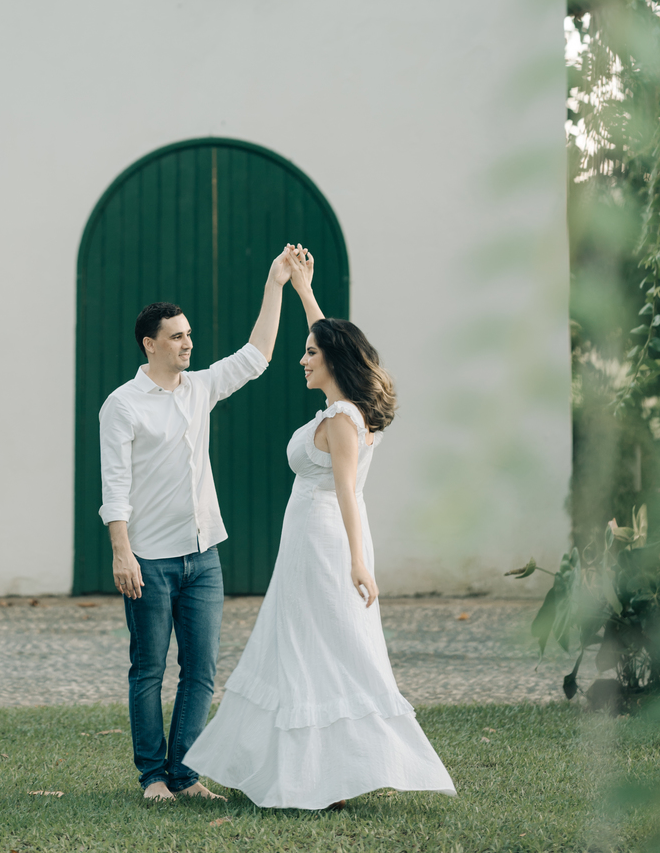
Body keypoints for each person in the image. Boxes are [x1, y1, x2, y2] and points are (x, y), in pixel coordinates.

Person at [185, 248, 456, 810]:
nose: (302, 359)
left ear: (333, 362)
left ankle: (328, 777)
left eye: (310, 354)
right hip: (307, 542)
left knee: (321, 650)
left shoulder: (340, 421)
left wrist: (358, 562)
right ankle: (309, 774)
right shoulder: (348, 408)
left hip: (327, 542)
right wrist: (301, 289)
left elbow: (350, 497)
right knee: (303, 648)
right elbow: (328, 337)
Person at [99, 249, 297, 802]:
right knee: (147, 669)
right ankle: (152, 778)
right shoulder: (123, 405)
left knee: (202, 671)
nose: (188, 343)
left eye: (189, 335)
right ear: (150, 344)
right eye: (177, 337)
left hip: (204, 555)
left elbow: (256, 356)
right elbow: (114, 485)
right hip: (150, 559)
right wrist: (122, 552)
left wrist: (275, 283)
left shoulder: (201, 389)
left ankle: (185, 775)